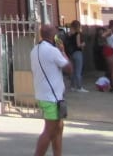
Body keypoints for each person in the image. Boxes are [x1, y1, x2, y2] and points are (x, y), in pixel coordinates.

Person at [31, 23, 72, 156]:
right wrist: (63, 51)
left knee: (59, 128)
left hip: (43, 95)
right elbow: (69, 68)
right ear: (53, 36)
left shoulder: (35, 50)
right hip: (52, 98)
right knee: (49, 131)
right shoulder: (53, 51)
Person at [65, 20, 86, 92]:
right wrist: (83, 44)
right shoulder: (77, 34)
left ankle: (72, 86)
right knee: (78, 71)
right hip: (78, 53)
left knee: (73, 71)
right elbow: (78, 45)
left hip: (71, 54)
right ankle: (79, 87)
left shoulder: (69, 35)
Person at [100, 21, 113, 92]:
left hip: (111, 50)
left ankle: (109, 85)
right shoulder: (109, 31)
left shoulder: (112, 33)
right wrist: (105, 44)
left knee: (110, 70)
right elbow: (103, 36)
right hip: (108, 50)